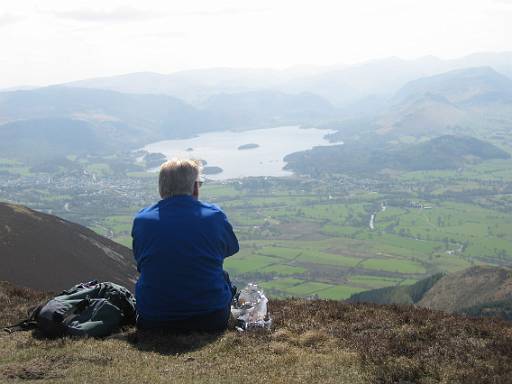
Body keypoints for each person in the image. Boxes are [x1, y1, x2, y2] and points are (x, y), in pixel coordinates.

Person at [131, 158, 239, 332]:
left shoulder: (142, 220)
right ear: (195, 187)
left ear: (161, 188)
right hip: (211, 318)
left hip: (154, 319)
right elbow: (230, 248)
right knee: (223, 275)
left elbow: (141, 260)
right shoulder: (214, 216)